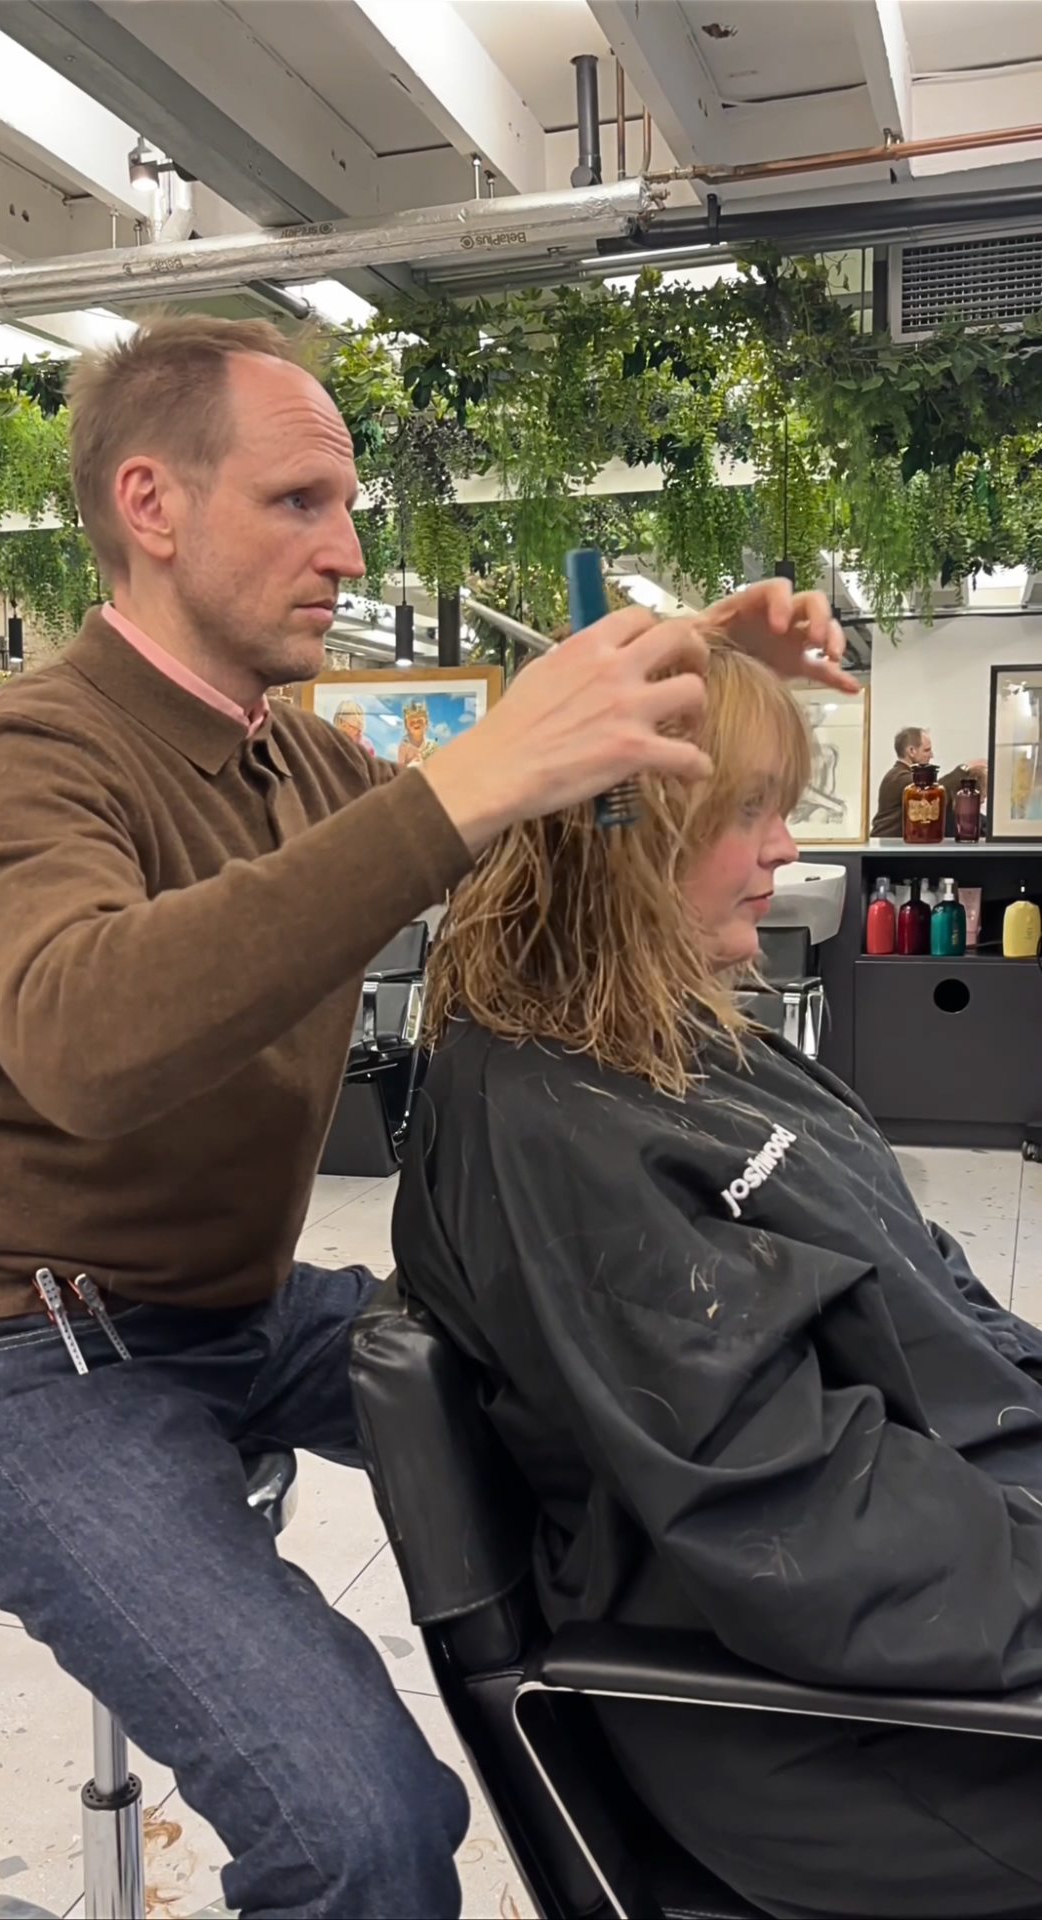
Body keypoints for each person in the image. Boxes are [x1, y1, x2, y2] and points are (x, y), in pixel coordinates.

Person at [0, 313, 853, 1920]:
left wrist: (693, 671)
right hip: (29, 1357)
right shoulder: (34, 754)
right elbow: (82, 1038)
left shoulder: (287, 758)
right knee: (362, 1830)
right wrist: (462, 785)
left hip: (241, 1311)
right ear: (152, 506)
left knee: (633, 1417)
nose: (347, 545)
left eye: (347, 503)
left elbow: (519, 839)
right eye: (300, 501)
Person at [394, 637, 1042, 1920]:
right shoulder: (561, 1124)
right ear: (626, 836)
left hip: (941, 1595)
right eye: (747, 815)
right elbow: (801, 1513)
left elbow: (921, 1290)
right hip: (845, 1743)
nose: (787, 855)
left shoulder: (676, 1047)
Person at [871, 724, 986, 836]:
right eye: (927, 750)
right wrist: (964, 768)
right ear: (911, 751)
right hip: (888, 848)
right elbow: (933, 793)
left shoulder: (897, 776)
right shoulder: (898, 778)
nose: (931, 755)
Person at [397, 699, 438, 767]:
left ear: (426, 722)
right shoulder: (404, 747)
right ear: (406, 725)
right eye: (412, 722)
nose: (416, 724)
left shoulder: (433, 746)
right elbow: (400, 771)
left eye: (419, 721)